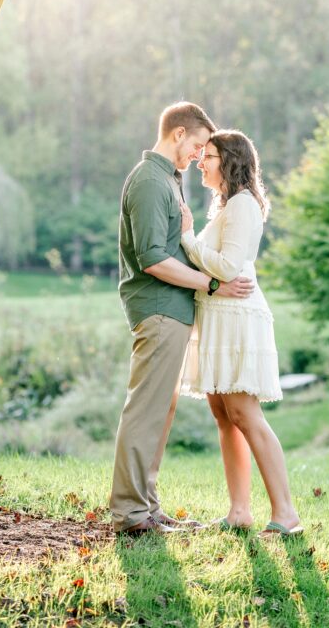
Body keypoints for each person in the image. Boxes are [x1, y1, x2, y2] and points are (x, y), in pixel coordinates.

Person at [110, 103, 256, 536]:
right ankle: (130, 513)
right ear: (177, 134)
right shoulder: (151, 181)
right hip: (157, 308)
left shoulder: (168, 181)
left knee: (161, 408)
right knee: (145, 409)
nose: (197, 155)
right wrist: (210, 286)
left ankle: (147, 507)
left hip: (172, 310)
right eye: (196, 145)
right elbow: (153, 258)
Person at [179, 129, 303, 535]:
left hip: (237, 318)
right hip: (218, 315)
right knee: (223, 415)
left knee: (246, 414)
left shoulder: (244, 206)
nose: (201, 161)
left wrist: (187, 238)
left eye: (209, 156)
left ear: (230, 161)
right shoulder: (228, 207)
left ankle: (286, 513)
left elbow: (229, 267)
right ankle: (239, 511)